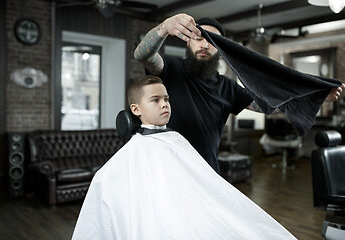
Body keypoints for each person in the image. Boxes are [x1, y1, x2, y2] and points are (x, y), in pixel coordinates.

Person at [72, 75, 296, 239]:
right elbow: (105, 181)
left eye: (166, 99)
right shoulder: (136, 149)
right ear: (136, 109)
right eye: (155, 100)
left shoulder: (176, 139)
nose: (164, 104)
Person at [134, 14, 344, 173]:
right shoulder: (172, 68)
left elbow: (268, 105)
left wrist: (313, 96)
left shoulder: (229, 87)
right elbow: (142, 54)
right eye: (199, 38)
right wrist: (163, 28)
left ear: (221, 50)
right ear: (188, 41)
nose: (205, 45)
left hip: (206, 171)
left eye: (212, 41)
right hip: (167, 169)